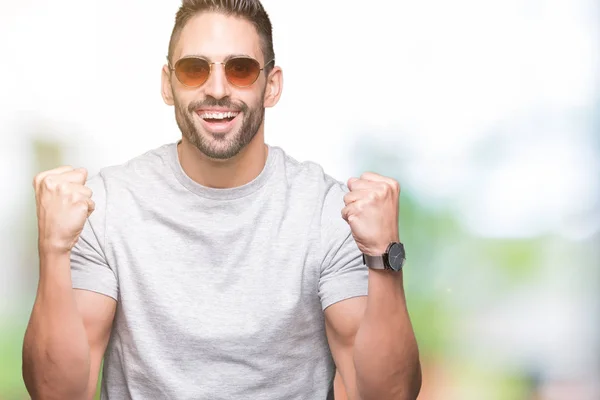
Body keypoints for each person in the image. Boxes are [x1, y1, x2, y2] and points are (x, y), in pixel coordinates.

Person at [22, 1, 421, 399]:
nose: (216, 89)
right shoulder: (108, 207)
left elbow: (389, 395)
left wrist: (385, 257)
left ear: (273, 85)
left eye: (240, 69)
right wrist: (53, 250)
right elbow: (57, 393)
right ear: (167, 83)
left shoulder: (327, 213)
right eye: (194, 68)